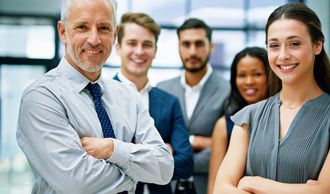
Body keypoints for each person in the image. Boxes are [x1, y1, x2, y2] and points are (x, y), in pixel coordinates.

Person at [213, 2, 330, 194]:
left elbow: (327, 192)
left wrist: (254, 183)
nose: (283, 55)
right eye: (274, 46)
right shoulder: (247, 118)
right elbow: (221, 189)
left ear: (317, 46)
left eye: (294, 44)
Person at [16, 0, 174, 193]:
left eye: (103, 28)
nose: (94, 39)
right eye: (82, 27)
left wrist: (112, 148)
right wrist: (135, 174)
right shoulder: (41, 97)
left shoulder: (128, 96)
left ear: (115, 35)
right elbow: (77, 183)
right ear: (63, 31)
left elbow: (164, 168)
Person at [113, 12, 194, 194]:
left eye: (147, 44)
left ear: (155, 51)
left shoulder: (169, 102)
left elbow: (186, 164)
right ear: (118, 47)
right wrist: (157, 157)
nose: (140, 51)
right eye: (132, 43)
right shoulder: (100, 95)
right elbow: (98, 163)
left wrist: (124, 157)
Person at [157, 18, 230, 194]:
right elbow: (155, 144)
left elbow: (229, 150)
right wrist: (202, 143)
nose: (192, 51)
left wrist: (175, 158)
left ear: (211, 46)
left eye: (199, 44)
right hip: (166, 189)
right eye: (186, 44)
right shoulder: (162, 89)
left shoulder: (229, 91)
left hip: (207, 187)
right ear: (179, 47)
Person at [207, 47, 269, 194]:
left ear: (270, 76)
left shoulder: (284, 118)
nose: (249, 81)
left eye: (257, 74)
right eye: (241, 75)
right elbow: (214, 183)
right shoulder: (224, 125)